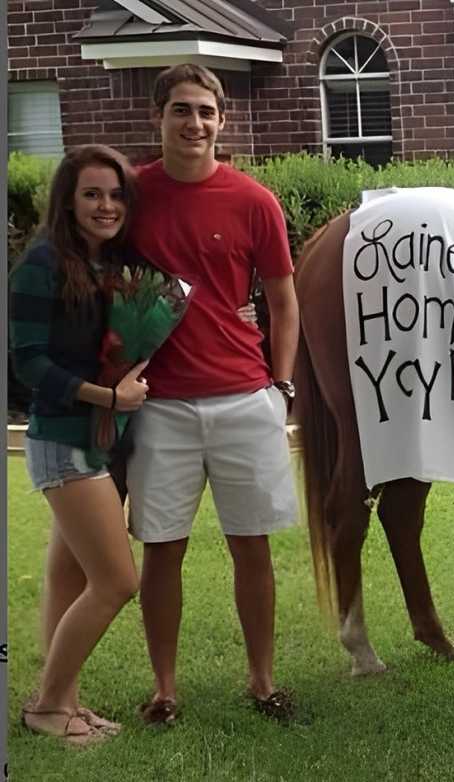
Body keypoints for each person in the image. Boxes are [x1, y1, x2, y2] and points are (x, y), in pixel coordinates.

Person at [126, 63, 301, 725]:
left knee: (250, 545)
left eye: (205, 111)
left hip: (243, 398)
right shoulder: (132, 197)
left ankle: (262, 682)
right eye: (180, 110)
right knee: (161, 549)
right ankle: (164, 690)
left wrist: (280, 383)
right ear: (159, 117)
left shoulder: (254, 200)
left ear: (221, 121)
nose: (193, 123)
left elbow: (282, 302)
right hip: (160, 405)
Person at [10, 145, 150, 746]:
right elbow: (27, 364)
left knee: (69, 579)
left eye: (116, 195)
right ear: (68, 199)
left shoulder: (107, 267)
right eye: (92, 193)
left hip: (96, 443)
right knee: (118, 582)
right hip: (64, 444)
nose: (106, 205)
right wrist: (106, 397)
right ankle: (44, 707)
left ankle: (64, 700)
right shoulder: (41, 263)